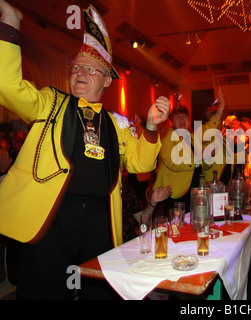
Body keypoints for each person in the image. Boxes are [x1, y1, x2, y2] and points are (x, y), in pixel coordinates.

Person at [0, 2, 170, 299]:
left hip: (100, 219)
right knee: (44, 292)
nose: (81, 72)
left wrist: (152, 128)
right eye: (77, 67)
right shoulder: (49, 103)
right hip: (52, 217)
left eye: (91, 70)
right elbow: (8, 86)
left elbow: (141, 163)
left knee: (99, 293)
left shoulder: (117, 124)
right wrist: (10, 26)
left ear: (107, 81)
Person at [152, 92, 225, 214]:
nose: (181, 119)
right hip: (174, 194)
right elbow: (174, 162)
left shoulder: (192, 138)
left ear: (189, 121)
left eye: (184, 117)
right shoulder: (167, 136)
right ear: (172, 122)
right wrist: (202, 155)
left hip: (194, 191)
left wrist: (208, 158)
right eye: (177, 117)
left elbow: (209, 129)